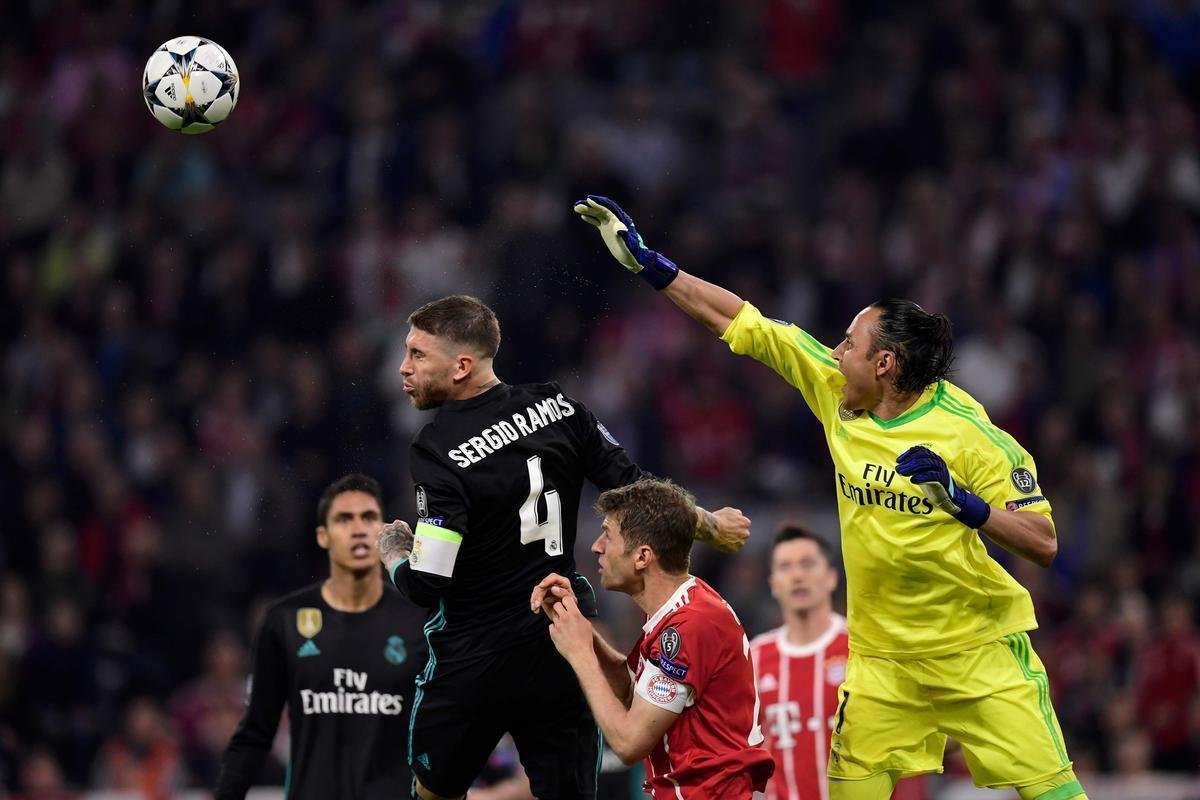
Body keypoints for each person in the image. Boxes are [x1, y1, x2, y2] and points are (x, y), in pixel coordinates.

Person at [575, 196, 1088, 800]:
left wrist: (962, 502)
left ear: (887, 364)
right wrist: (652, 266)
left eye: (849, 344)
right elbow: (745, 324)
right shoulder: (836, 388)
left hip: (977, 651)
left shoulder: (971, 436)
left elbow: (1044, 542)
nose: (835, 353)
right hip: (881, 663)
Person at [375, 295, 750, 800]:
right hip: (557, 637)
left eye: (418, 355)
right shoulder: (558, 406)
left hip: (473, 657)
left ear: (462, 365)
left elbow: (428, 580)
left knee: (433, 792)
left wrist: (396, 551)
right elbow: (636, 487)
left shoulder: (437, 449)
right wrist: (708, 522)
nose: (404, 368)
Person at [532, 478, 775, 799]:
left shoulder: (689, 625)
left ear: (643, 557)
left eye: (608, 535)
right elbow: (634, 692)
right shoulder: (682, 606)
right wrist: (578, 627)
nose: (597, 546)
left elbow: (629, 742)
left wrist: (580, 654)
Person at [215, 473, 429, 800]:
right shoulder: (284, 620)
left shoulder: (418, 619)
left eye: (369, 518)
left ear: (383, 532)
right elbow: (255, 732)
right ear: (323, 536)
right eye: (344, 519)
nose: (358, 529)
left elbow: (442, 726)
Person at [751, 524, 926, 800]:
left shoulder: (866, 647)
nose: (797, 575)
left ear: (831, 577)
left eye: (807, 564)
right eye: (785, 567)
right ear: (773, 584)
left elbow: (910, 739)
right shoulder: (753, 658)